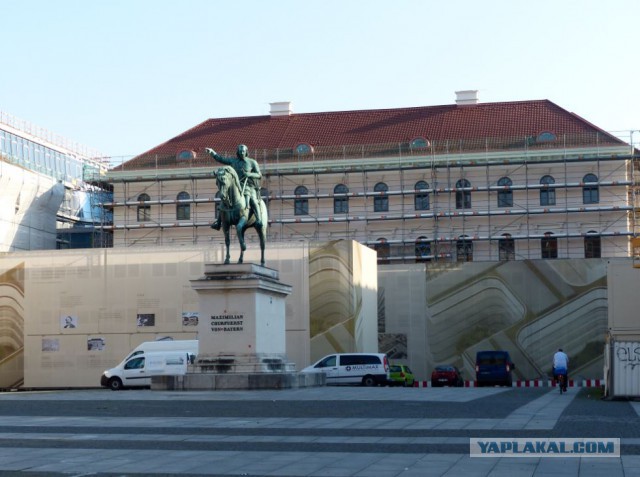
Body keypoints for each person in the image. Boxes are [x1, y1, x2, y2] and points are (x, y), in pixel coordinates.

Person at [205, 145, 263, 229]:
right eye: (240, 151)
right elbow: (221, 159)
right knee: (224, 200)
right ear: (238, 152)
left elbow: (259, 175)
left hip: (248, 185)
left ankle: (259, 220)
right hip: (235, 185)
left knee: (253, 200)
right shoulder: (233, 161)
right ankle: (218, 222)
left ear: (246, 152)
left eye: (243, 151)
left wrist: (249, 174)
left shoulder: (252, 162)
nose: (242, 153)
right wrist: (212, 152)